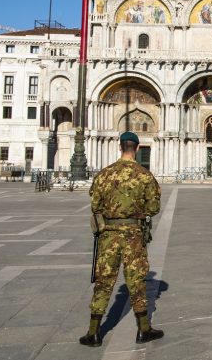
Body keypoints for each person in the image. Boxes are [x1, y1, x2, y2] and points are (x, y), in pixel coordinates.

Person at [79, 132, 164, 347]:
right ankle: (144, 329)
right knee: (136, 281)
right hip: (134, 235)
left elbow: (95, 206)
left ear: (120, 147)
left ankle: (93, 333)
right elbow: (154, 208)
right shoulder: (144, 175)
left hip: (108, 234)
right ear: (136, 148)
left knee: (104, 281)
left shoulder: (104, 174)